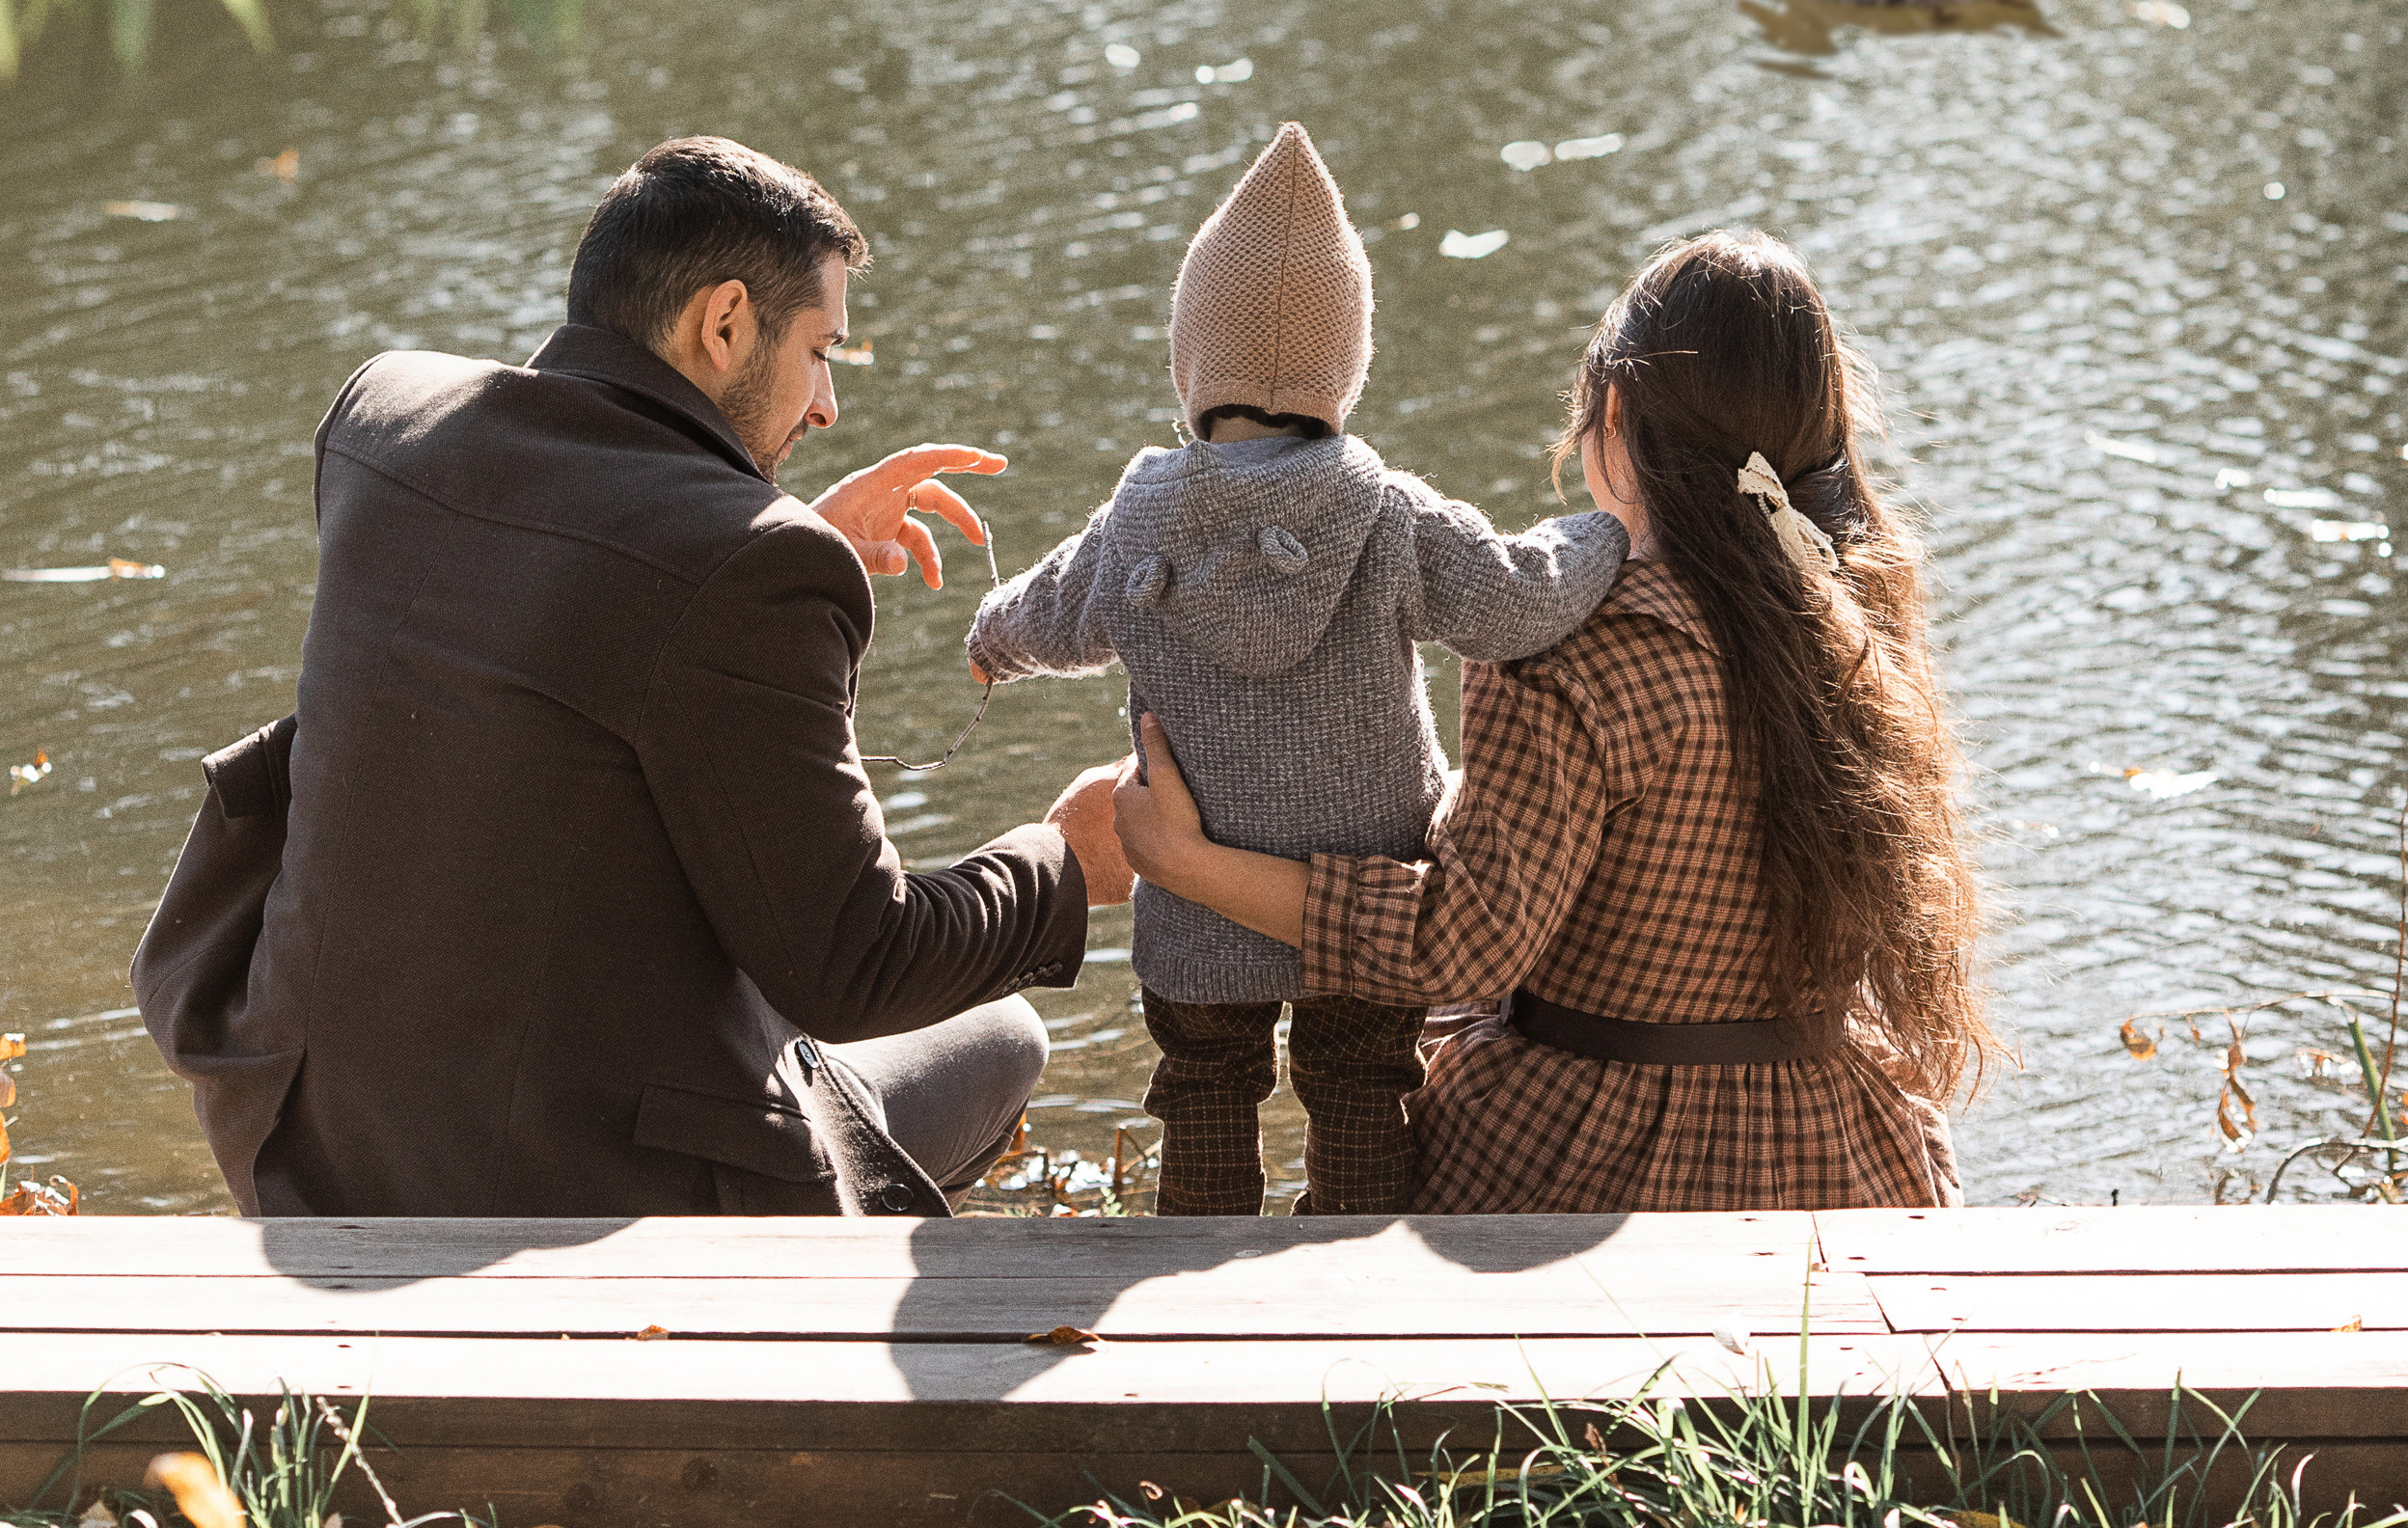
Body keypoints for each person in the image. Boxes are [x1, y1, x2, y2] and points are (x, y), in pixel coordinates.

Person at [134, 136, 1130, 1217]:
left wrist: (776, 536)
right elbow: (858, 966)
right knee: (1005, 1037)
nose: (827, 404)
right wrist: (1070, 861)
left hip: (310, 1146)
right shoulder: (749, 570)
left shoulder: (385, 420)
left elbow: (559, 601)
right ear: (724, 322)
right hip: (568, 1196)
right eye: (821, 350)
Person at [1113, 228, 1990, 1213]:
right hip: (1825, 1148)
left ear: (1613, 412)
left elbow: (1460, 941)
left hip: (1590, 1152)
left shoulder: (1569, 642)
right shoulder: (1849, 613)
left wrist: (1189, 863)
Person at [965, 123, 1627, 1216]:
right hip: (1361, 898)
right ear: (1346, 367)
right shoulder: (1386, 514)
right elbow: (1516, 601)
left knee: (1204, 1094)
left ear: (1189, 356)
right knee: (1363, 1092)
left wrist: (991, 636)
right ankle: (1353, 1289)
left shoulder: (1138, 519)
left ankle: (1199, 1282)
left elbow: (1052, 612)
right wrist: (1606, 532)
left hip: (1194, 905)